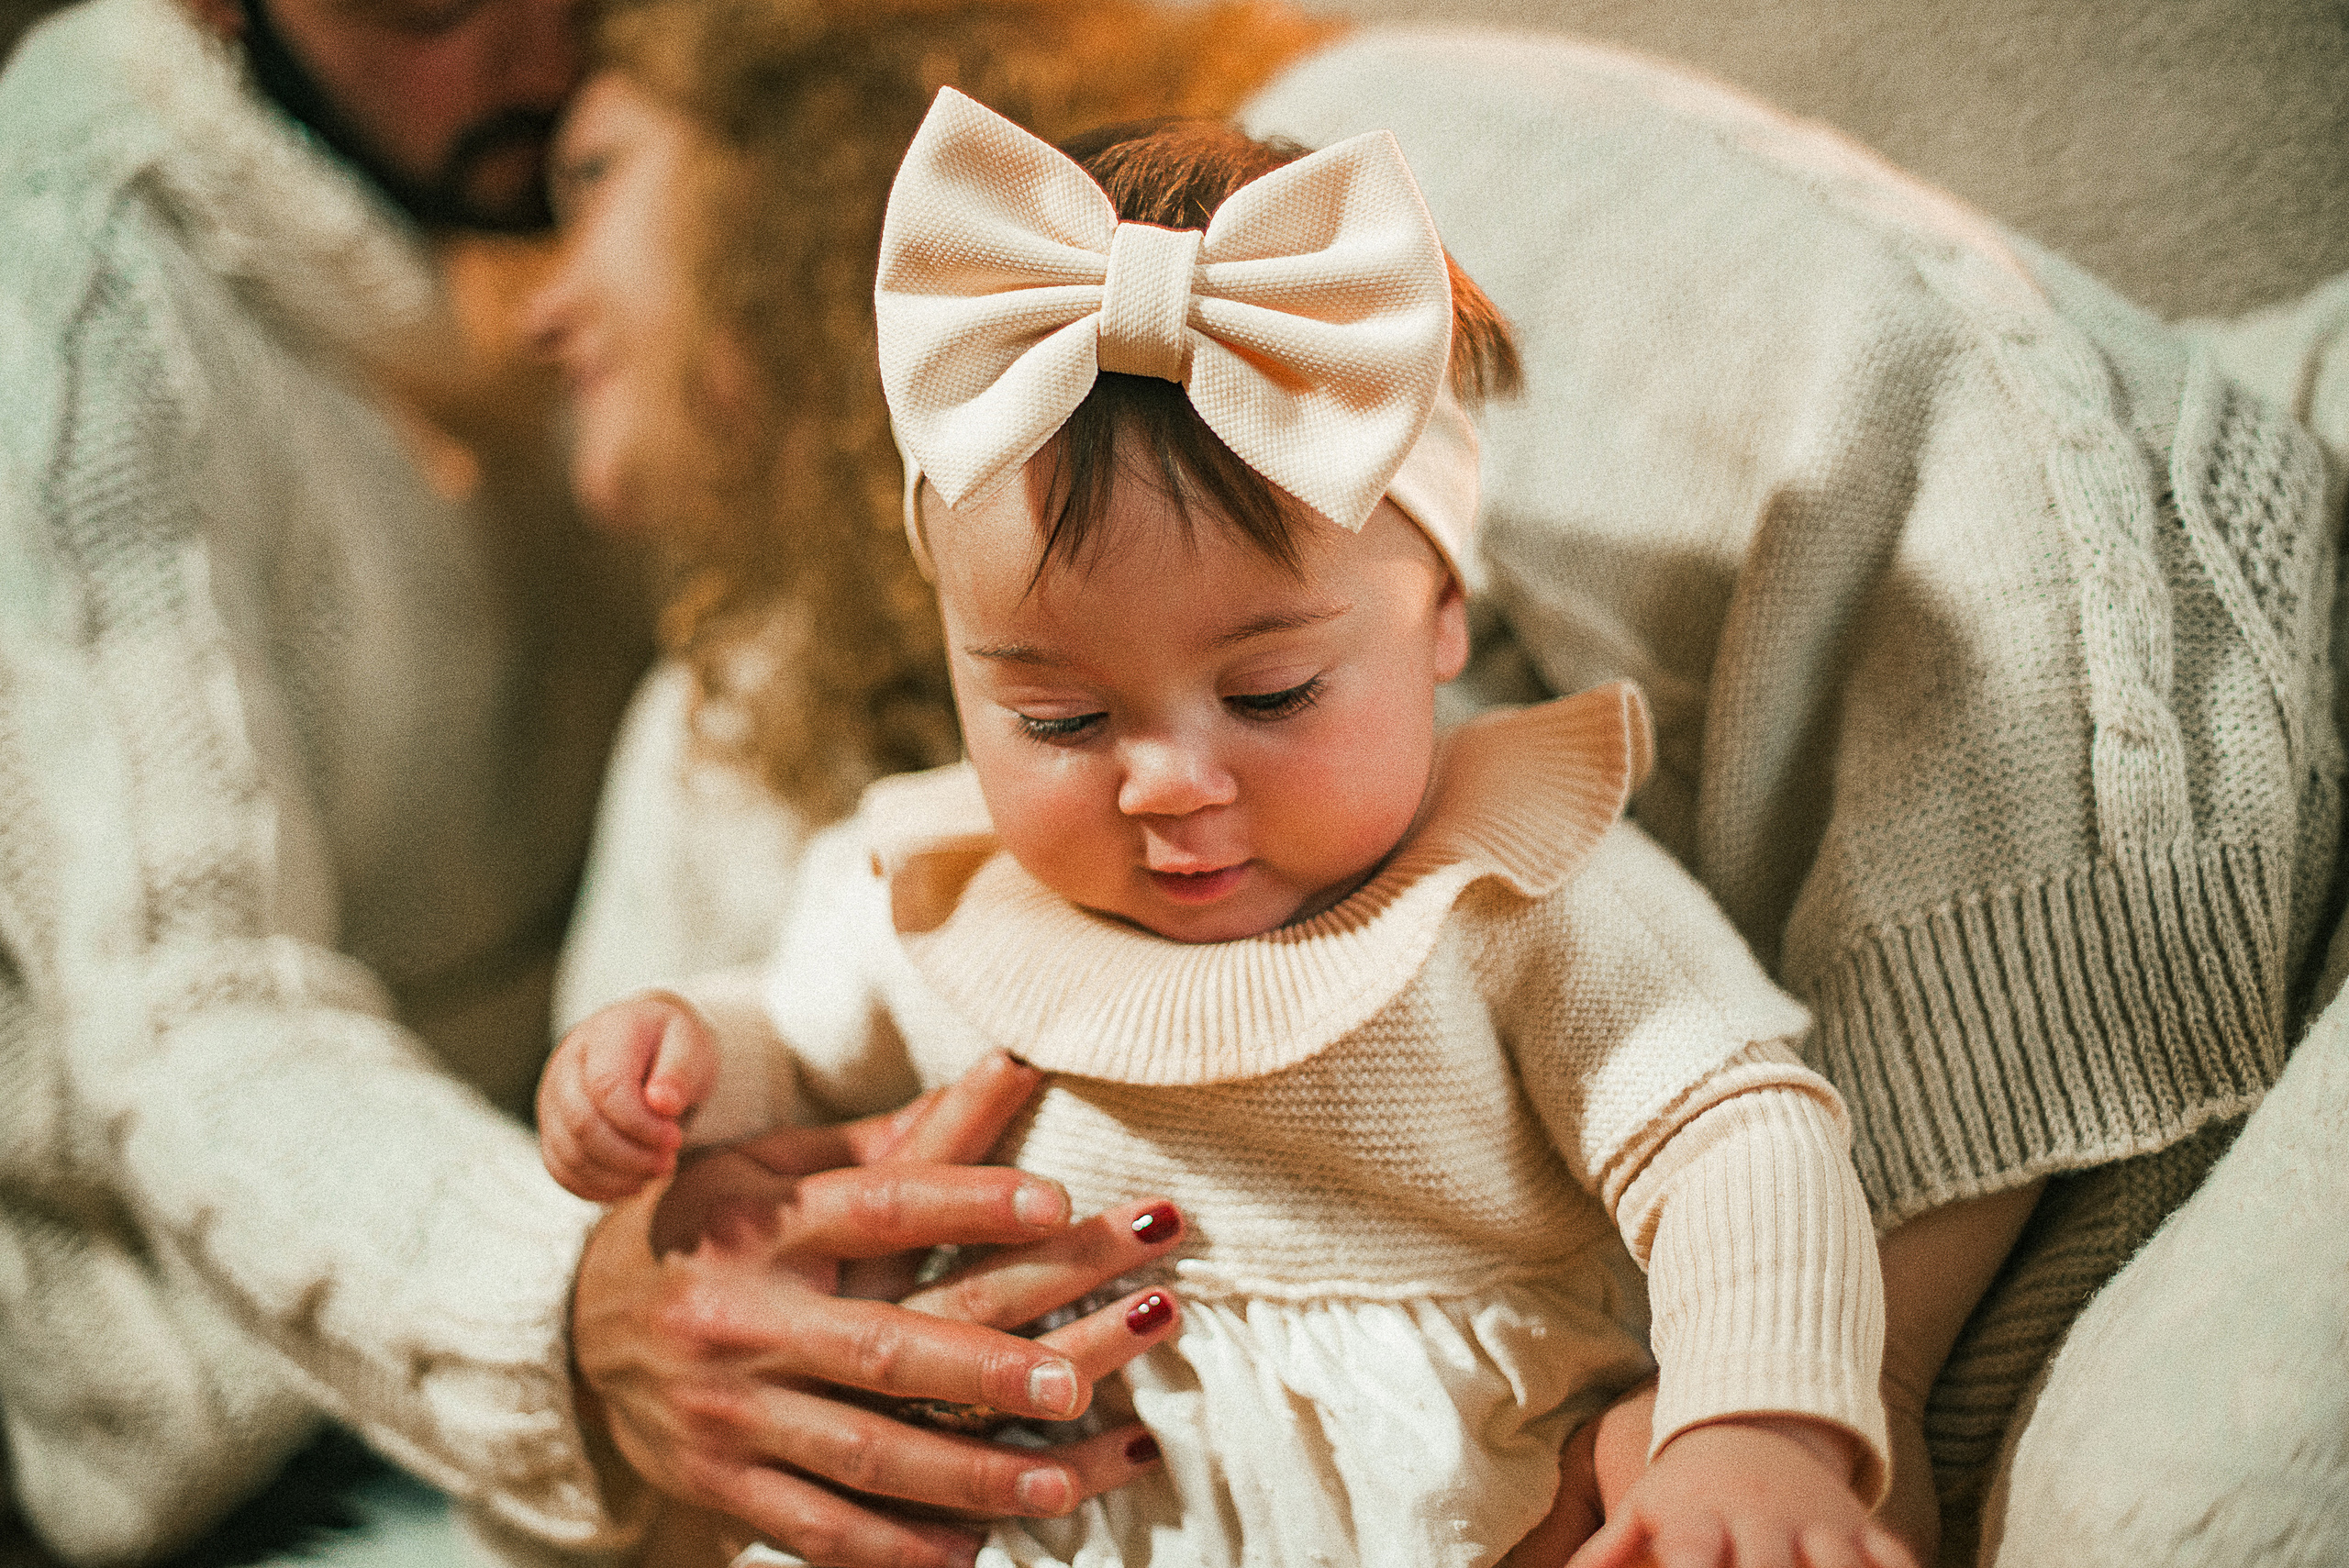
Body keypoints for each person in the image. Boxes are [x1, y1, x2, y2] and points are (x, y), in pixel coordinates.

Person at [541, 10, 2341, 1567]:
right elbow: (799, 1042)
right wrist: (667, 1069)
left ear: (1439, 620)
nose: (1168, 782)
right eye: (1056, 719)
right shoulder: (927, 884)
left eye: (1266, 690)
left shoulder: (1514, 890)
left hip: (1440, 1502)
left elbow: (1729, 1135)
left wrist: (1763, 1428)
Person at [0, 0, 1217, 1562]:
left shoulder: (517, 198)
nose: (529, 53)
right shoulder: (83, 285)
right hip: (282, 1425)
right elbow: (181, 1010)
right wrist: (568, 1300)